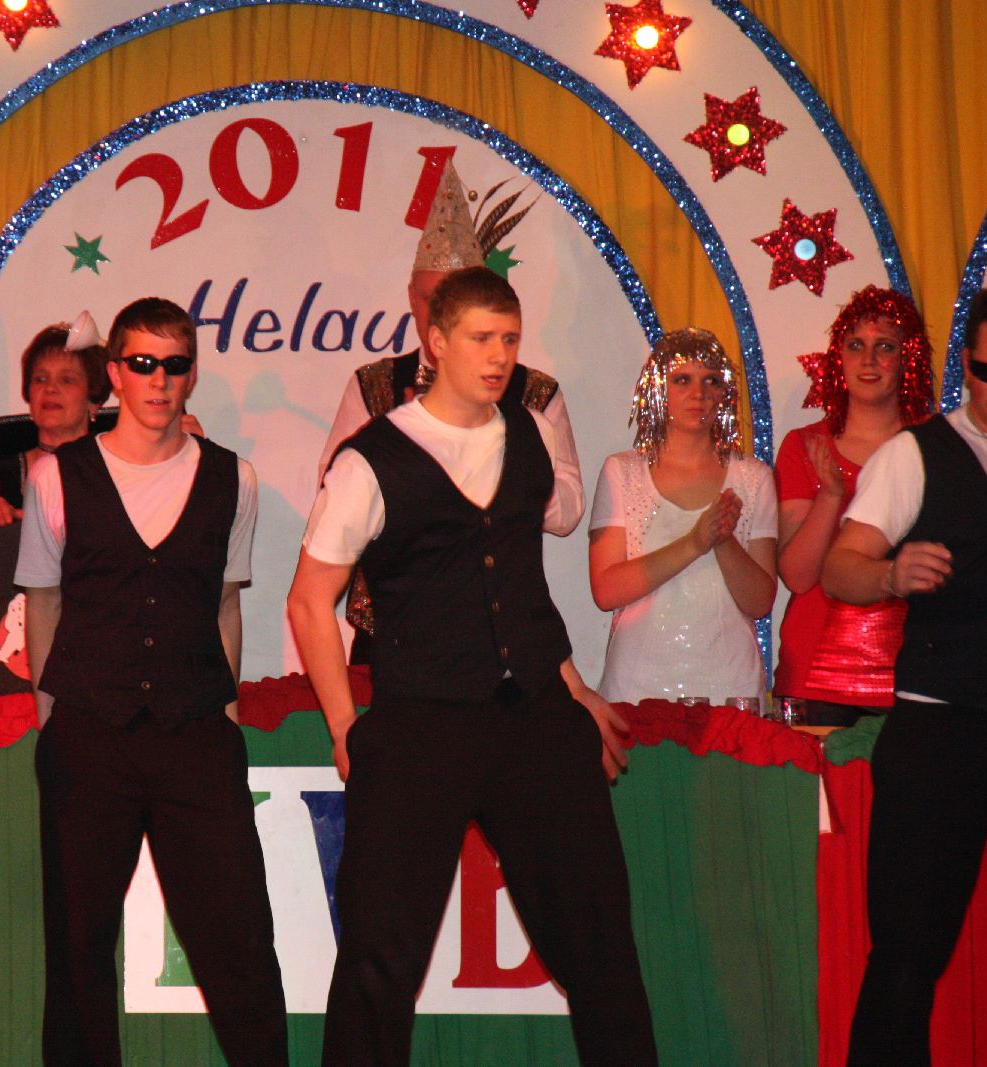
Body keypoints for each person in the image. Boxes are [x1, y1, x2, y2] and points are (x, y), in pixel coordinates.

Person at [288, 267, 653, 1067]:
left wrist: (574, 689)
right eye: (482, 338)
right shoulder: (370, 459)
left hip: (534, 719)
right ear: (436, 341)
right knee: (379, 959)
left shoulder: (530, 435)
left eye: (510, 339)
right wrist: (347, 728)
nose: (498, 356)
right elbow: (309, 601)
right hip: (419, 726)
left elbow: (520, 588)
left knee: (601, 943)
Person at [17, 298, 287, 1066]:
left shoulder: (235, 479)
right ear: (115, 373)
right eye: (142, 363)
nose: (159, 380)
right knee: (78, 948)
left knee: (239, 939)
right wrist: (51, 717)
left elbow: (226, 604)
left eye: (173, 364)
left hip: (196, 735)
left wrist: (223, 714)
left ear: (191, 374)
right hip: (86, 735)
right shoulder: (56, 476)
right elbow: (43, 602)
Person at [824, 281, 987, 1066]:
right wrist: (890, 575)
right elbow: (839, 567)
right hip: (941, 725)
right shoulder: (916, 452)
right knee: (907, 953)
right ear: (964, 365)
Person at [316, 163, 583, 660]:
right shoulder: (373, 385)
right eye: (430, 298)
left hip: (503, 630)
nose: (440, 310)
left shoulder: (534, 398)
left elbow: (567, 512)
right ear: (412, 300)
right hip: (392, 626)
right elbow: (333, 486)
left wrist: (500, 464)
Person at [588, 328, 778, 706]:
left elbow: (760, 602)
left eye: (711, 381)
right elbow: (607, 591)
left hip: (730, 685)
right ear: (658, 388)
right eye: (682, 380)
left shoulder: (753, 477)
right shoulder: (621, 471)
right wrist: (695, 542)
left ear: (725, 393)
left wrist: (723, 540)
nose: (699, 393)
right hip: (636, 686)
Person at [774, 287, 934, 725]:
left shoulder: (937, 446)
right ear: (838, 358)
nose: (869, 360)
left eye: (886, 347)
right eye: (856, 345)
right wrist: (830, 496)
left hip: (914, 673)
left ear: (908, 359)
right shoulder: (804, 445)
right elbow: (797, 576)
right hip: (813, 678)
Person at [0, 313, 111, 528]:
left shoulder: (118, 474)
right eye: (40, 379)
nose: (50, 388)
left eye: (67, 380)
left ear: (94, 401)